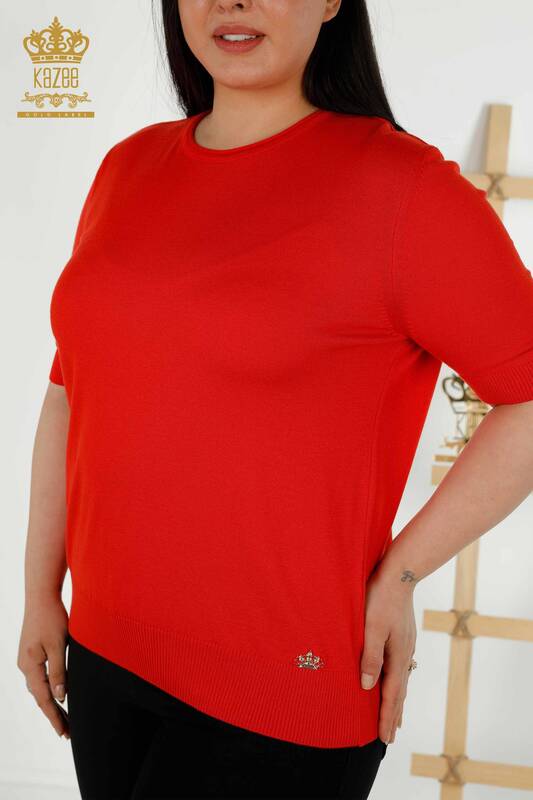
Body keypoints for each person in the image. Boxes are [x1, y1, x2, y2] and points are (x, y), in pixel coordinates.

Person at [17, 0, 533, 798]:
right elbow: (70, 389)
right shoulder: (127, 167)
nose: (233, 1)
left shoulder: (403, 190)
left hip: (281, 693)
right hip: (105, 651)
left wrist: (400, 574)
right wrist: (38, 592)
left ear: (330, 1)